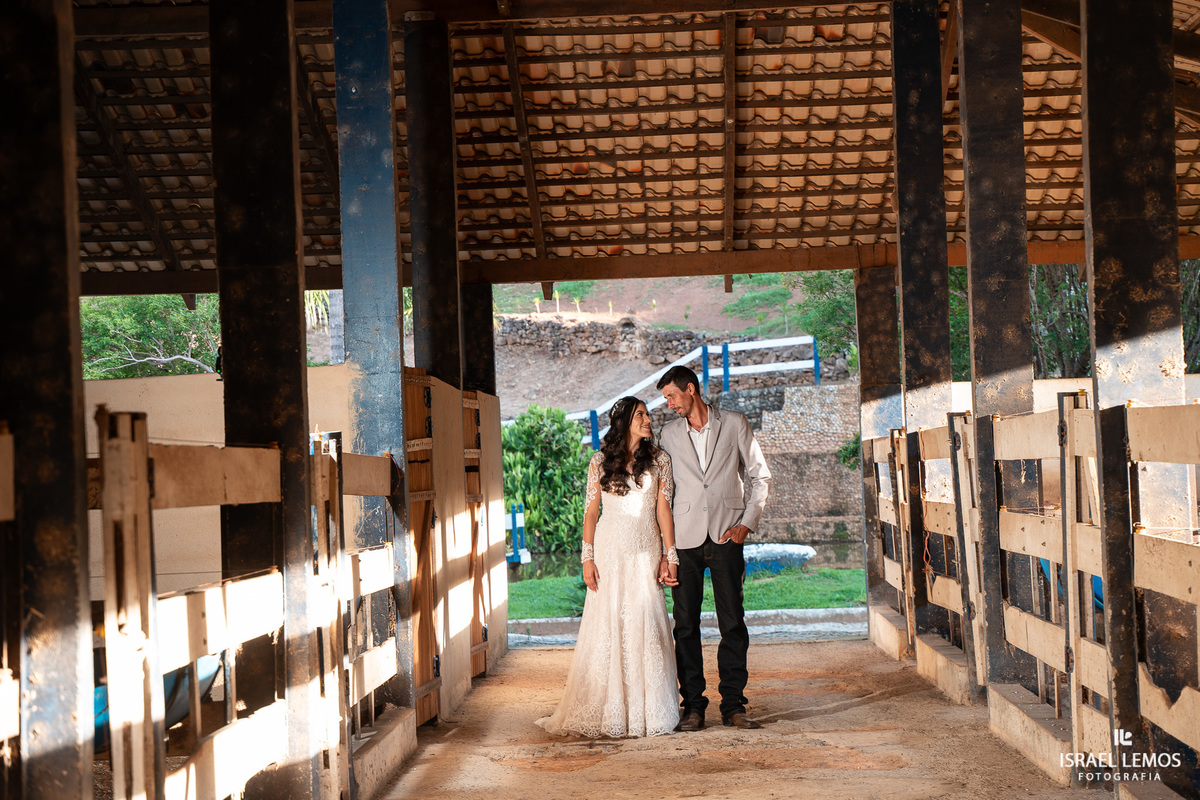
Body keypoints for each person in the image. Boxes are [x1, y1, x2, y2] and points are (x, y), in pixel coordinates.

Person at [536, 396, 682, 738]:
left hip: (646, 547)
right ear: (625, 421)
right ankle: (610, 707)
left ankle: (647, 711)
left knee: (646, 620)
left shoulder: (660, 460)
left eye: (648, 414)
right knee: (610, 621)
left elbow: (663, 511)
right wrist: (587, 556)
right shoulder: (599, 461)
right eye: (641, 415)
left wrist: (669, 555)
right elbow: (590, 512)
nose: (649, 419)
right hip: (609, 548)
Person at [657, 365, 770, 731]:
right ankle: (693, 706)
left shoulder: (735, 423)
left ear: (691, 389)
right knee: (685, 626)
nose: (669, 404)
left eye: (672, 396)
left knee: (732, 623)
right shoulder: (668, 434)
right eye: (666, 399)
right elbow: (663, 493)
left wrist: (745, 524)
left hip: (726, 536)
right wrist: (666, 550)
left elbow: (760, 476)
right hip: (685, 539)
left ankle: (734, 705)